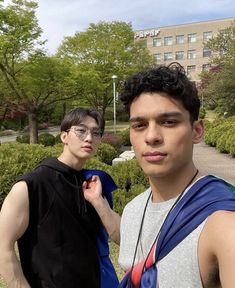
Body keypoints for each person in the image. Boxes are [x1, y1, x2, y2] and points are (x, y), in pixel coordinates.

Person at [84, 63, 235, 288]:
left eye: (168, 122)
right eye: (139, 125)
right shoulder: (134, 209)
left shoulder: (223, 222)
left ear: (197, 131)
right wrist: (98, 201)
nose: (152, 136)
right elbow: (132, 246)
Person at [0, 107, 119, 288]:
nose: (89, 138)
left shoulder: (93, 183)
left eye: (96, 133)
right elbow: (3, 247)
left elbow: (122, 238)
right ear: (64, 136)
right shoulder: (32, 185)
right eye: (81, 131)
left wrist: (98, 202)